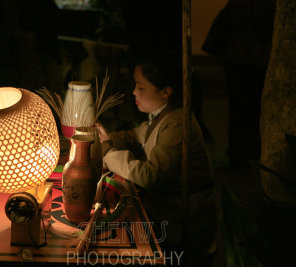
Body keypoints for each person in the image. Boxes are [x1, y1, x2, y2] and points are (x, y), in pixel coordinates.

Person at [95, 51, 216, 265]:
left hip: (184, 219)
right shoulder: (164, 115)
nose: (134, 92)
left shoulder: (178, 124)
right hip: (168, 210)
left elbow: (149, 175)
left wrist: (107, 150)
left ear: (165, 92)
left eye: (141, 87)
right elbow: (136, 134)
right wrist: (107, 137)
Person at [202, 0, 276, 168]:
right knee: (260, 108)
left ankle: (239, 153)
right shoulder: (272, 5)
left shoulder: (239, 4)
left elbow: (222, 26)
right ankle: (256, 150)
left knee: (239, 108)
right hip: (261, 61)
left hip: (237, 61)